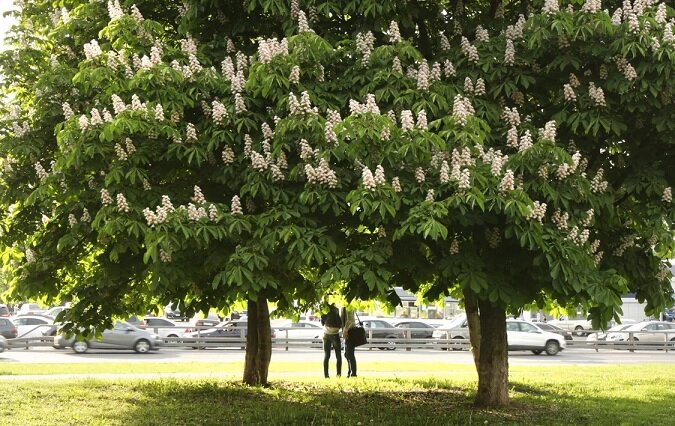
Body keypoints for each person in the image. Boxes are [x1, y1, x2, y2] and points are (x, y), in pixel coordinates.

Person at [320, 302, 342, 378]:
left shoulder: (324, 310)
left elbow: (322, 323)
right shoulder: (336, 310)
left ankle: (326, 375)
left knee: (326, 355)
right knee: (338, 355)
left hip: (326, 334)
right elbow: (339, 322)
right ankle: (338, 374)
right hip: (335, 334)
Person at [341, 306, 357, 378]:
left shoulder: (348, 306)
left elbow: (350, 320)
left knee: (349, 354)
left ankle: (353, 373)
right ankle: (351, 371)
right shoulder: (346, 306)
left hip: (350, 332)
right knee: (347, 354)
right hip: (349, 332)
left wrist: (345, 330)